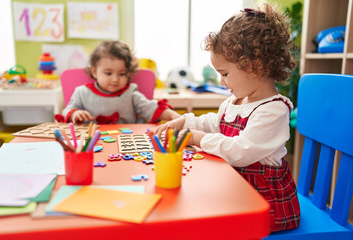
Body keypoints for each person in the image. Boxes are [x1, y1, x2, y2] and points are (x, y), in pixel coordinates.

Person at [155, 3, 300, 232]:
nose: (221, 82)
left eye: (225, 74)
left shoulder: (274, 110)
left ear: (255, 65)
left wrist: (196, 138)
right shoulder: (236, 101)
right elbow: (217, 123)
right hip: (238, 192)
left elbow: (239, 151)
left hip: (265, 206)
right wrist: (186, 122)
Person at [57, 40, 181, 124]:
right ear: (94, 72)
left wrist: (172, 115)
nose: (115, 79)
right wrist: (75, 113)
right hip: (91, 144)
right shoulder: (82, 92)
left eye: (122, 74)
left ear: (128, 73)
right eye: (108, 73)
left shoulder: (130, 93)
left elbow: (150, 108)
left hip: (125, 143)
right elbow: (67, 110)